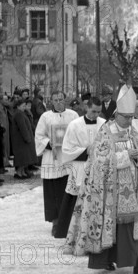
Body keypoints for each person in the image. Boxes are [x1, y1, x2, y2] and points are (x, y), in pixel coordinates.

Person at [66, 84, 138, 274]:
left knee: (134, 227)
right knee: (106, 225)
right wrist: (126, 156)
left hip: (133, 191)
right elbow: (98, 162)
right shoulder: (105, 132)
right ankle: (106, 260)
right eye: (125, 117)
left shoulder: (132, 132)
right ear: (116, 114)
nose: (128, 121)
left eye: (131, 117)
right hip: (109, 192)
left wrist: (137, 157)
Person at [54, 97, 105, 239]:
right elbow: (67, 149)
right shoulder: (75, 125)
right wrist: (86, 151)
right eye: (93, 111)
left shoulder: (104, 124)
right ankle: (72, 233)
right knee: (75, 198)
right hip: (80, 167)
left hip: (99, 168)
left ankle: (95, 233)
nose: (96, 115)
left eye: (99, 112)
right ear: (86, 107)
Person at [35, 91, 79, 235]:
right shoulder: (45, 117)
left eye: (61, 99)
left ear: (65, 100)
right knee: (53, 192)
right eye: (56, 100)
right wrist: (50, 143)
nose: (59, 102)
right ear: (51, 101)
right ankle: (56, 221)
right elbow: (39, 135)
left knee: (68, 189)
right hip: (52, 157)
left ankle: (70, 221)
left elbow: (78, 132)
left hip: (68, 157)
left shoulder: (73, 115)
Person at [10, 98, 37, 179]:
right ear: (18, 106)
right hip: (21, 140)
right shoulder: (19, 114)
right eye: (23, 105)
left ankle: (22, 172)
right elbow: (23, 127)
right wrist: (27, 138)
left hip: (22, 140)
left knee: (24, 158)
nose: (25, 107)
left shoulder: (20, 113)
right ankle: (19, 172)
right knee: (22, 158)